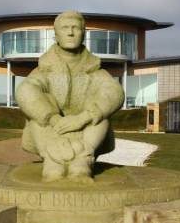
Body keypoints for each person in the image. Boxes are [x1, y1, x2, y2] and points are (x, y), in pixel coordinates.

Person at [16, 11, 125, 182]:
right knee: (38, 107)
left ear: (83, 33)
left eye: (75, 28)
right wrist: (53, 119)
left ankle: (82, 161)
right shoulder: (44, 69)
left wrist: (84, 117)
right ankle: (53, 161)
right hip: (52, 130)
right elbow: (26, 90)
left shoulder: (95, 70)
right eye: (65, 28)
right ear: (56, 35)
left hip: (86, 132)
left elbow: (114, 91)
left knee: (99, 110)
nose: (70, 32)